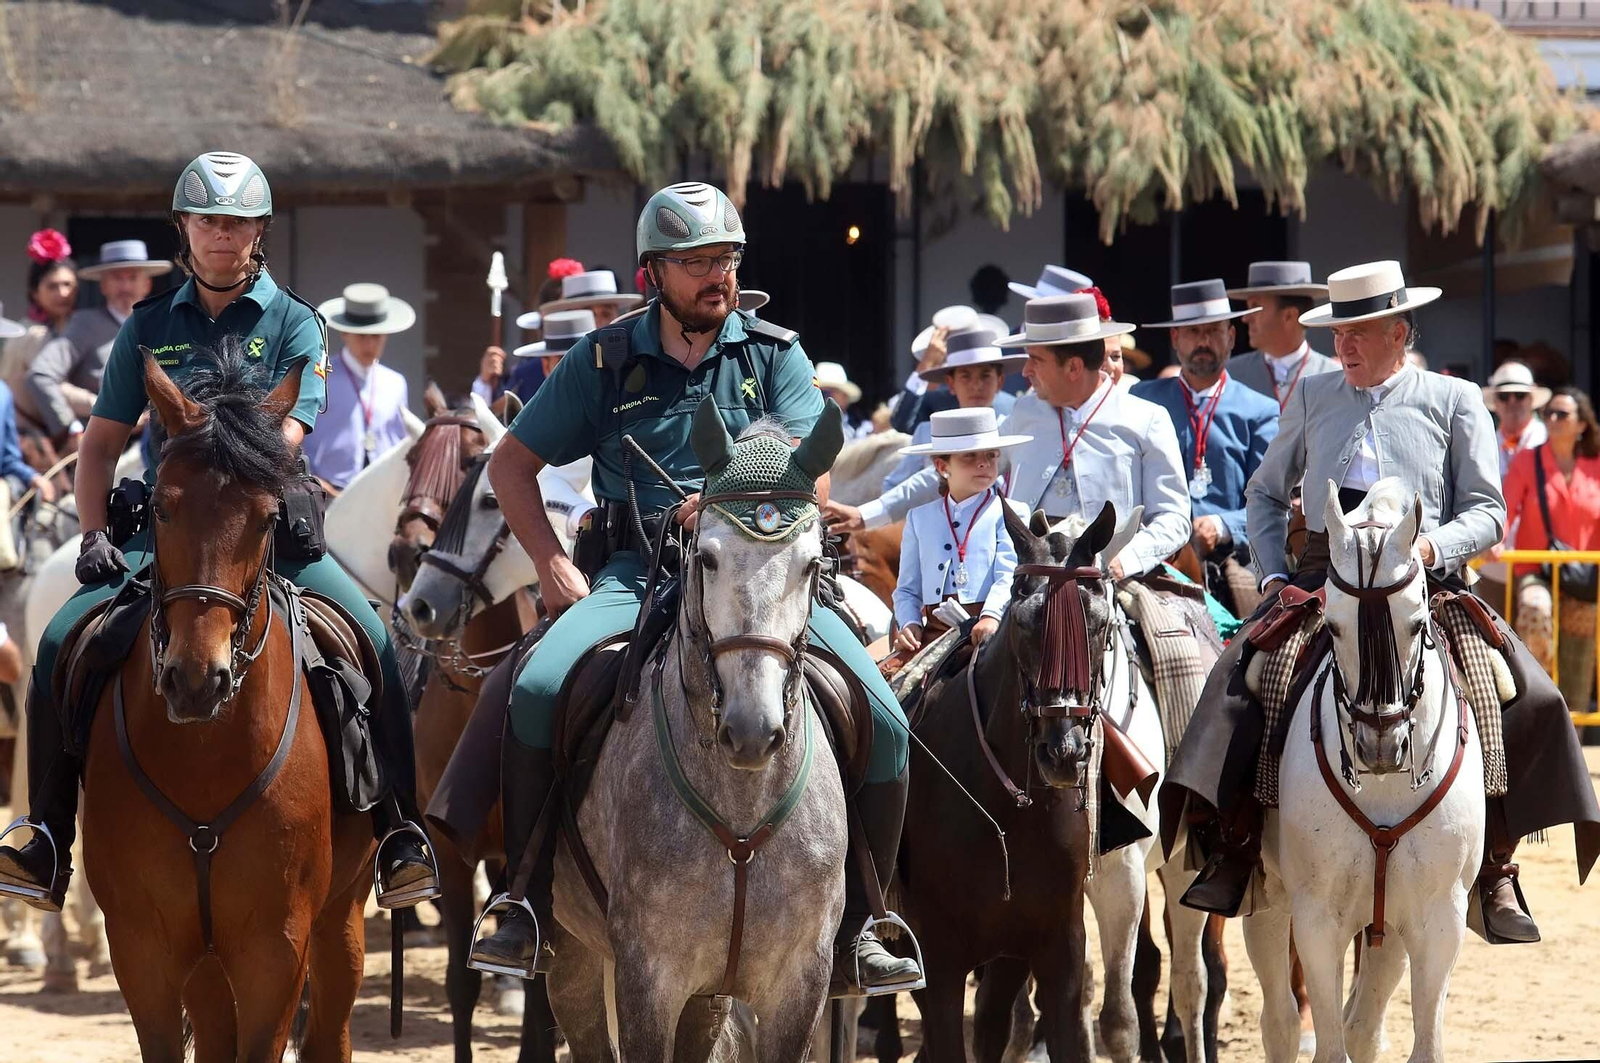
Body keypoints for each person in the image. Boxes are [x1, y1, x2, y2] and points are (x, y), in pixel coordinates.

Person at [464, 180, 922, 992]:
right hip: (637, 572)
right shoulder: (604, 359)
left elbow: (799, 468)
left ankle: (865, 920)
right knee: (535, 682)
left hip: (763, 579)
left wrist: (724, 499)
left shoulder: (773, 353)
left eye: (728, 258)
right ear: (654, 273)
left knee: (883, 716)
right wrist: (548, 560)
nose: (720, 275)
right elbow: (510, 465)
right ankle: (524, 901)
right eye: (699, 261)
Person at [0, 151, 435, 913]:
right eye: (208, 221)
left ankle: (400, 829)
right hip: (162, 529)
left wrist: (234, 473)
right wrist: (97, 530)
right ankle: (44, 833)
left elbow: (294, 428)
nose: (222, 235)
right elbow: (100, 445)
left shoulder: (298, 321)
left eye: (236, 222)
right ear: (185, 229)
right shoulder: (149, 324)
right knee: (61, 640)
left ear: (260, 230)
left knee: (376, 639)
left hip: (261, 528)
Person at [1167, 259, 1600, 945]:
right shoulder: (1312, 396)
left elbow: (1488, 509)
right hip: (1322, 573)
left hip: (1423, 576)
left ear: (1400, 330)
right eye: (1340, 331)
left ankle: (1495, 865)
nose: (1346, 345)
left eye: (1361, 331)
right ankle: (1240, 842)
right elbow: (1264, 493)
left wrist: (1430, 550)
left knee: (1517, 687)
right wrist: (1275, 576)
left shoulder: (1454, 400)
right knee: (1246, 673)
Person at [1132, 279, 1279, 617]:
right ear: (1174, 339)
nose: (1203, 341)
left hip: (1228, 567)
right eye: (1193, 332)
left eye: (1213, 331)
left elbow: (1272, 502)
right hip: (1151, 562)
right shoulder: (1142, 400)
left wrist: (1223, 525)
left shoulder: (1259, 410)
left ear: (1230, 337)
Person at [835, 322, 1023, 530]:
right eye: (965, 376)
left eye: (985, 375)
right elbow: (897, 485)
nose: (976, 385)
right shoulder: (927, 432)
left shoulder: (1013, 431)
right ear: (951, 383)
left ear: (1001, 381)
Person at [891, 407, 1030, 653]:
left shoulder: (1012, 512)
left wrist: (991, 615)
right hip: (933, 633)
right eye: (970, 456)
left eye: (991, 455)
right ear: (943, 466)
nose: (984, 464)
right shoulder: (919, 518)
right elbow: (907, 589)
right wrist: (910, 623)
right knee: (887, 687)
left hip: (993, 631)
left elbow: (1010, 574)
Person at [1497, 387, 1600, 716]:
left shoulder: (1595, 465)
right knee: (1535, 611)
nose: (1552, 419)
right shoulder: (1529, 460)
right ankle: (1537, 711)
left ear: (1582, 424)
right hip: (1536, 571)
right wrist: (1496, 541)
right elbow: (1505, 510)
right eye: (1549, 413)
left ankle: (1575, 744)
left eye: (1562, 414)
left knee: (1579, 660)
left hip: (1583, 576)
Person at [23, 240, 171, 450]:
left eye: (133, 277)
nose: (126, 286)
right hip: (103, 445)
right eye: (117, 278)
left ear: (147, 284)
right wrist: (71, 427)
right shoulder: (86, 324)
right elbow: (40, 375)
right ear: (103, 285)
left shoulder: (164, 325)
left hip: (162, 445)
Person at [301, 283, 416, 490]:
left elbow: (401, 440)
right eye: (362, 336)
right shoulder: (320, 377)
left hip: (383, 492)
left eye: (377, 336)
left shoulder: (396, 383)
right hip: (330, 491)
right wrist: (315, 482)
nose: (370, 345)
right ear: (345, 333)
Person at [1477, 361, 1551, 610]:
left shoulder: (1551, 441)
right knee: (1492, 641)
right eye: (1504, 396)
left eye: (1520, 395)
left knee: (1538, 641)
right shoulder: (1479, 442)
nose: (1512, 403)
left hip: (1541, 563)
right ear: (1495, 402)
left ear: (1532, 400)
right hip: (1490, 564)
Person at [1225, 261, 1338, 409]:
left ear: (1289, 316)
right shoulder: (1230, 375)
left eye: (1254, 307)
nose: (1245, 318)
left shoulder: (1334, 378)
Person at [815, 361, 872, 439]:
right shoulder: (804, 427)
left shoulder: (863, 429)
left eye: (829, 392)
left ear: (845, 396)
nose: (824, 397)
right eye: (821, 392)